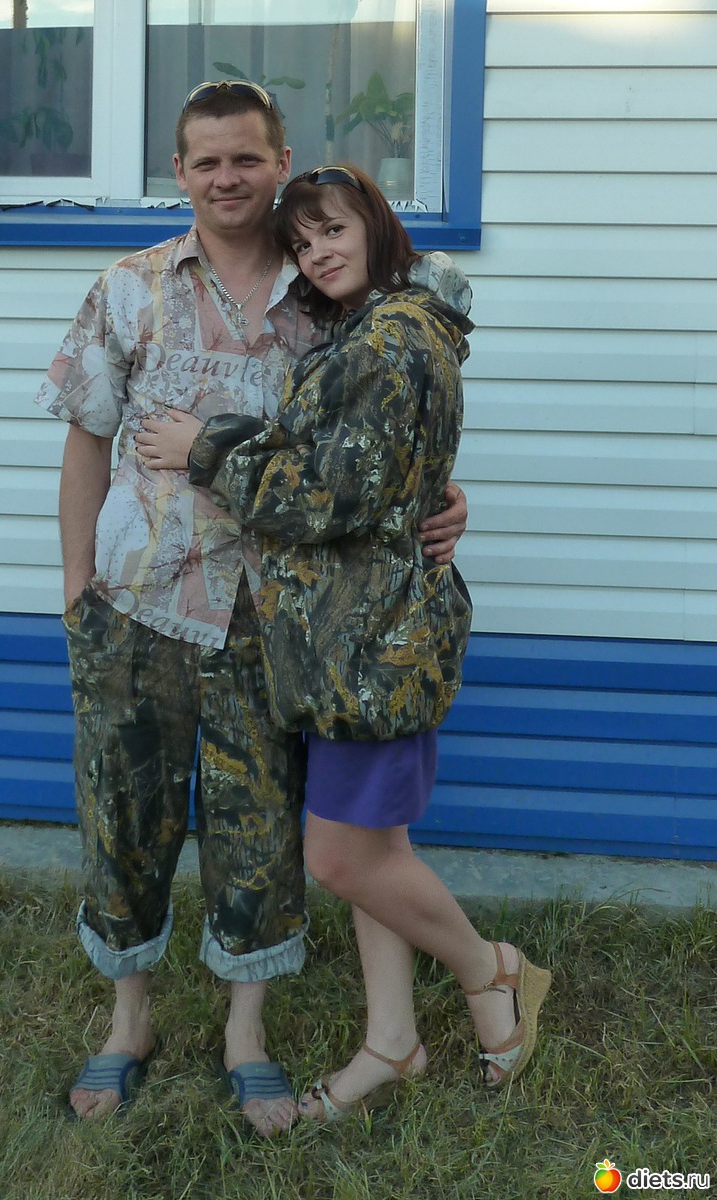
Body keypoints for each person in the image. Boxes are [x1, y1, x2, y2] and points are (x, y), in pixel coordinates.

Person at [35, 82, 468, 1135]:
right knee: (126, 820)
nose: (226, 178)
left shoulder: (329, 291)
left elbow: (389, 426)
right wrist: (75, 590)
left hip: (276, 621)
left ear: (280, 162)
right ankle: (129, 1020)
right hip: (136, 607)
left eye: (246, 158)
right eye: (206, 162)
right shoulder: (130, 287)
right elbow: (86, 440)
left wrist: (444, 496)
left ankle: (246, 1032)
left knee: (258, 831)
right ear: (179, 174)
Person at [138, 164, 551, 1121]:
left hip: (374, 647)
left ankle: (494, 971)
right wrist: (431, 495)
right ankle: (392, 1043)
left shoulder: (390, 340)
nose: (319, 253)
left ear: (374, 224)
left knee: (341, 859)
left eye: (334, 230)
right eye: (303, 242)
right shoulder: (377, 328)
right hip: (348, 644)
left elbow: (326, 496)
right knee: (377, 846)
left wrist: (204, 450)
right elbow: (369, 468)